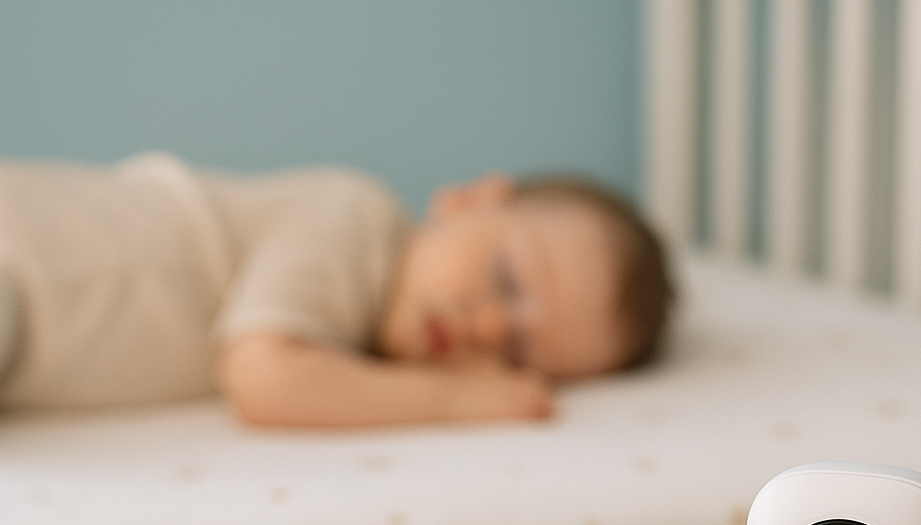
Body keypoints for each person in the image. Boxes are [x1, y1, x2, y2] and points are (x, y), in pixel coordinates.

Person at [0, 155, 673, 426]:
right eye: (505, 280)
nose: (492, 329)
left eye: (521, 354)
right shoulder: (356, 217)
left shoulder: (355, 340)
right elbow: (263, 376)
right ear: (472, 200)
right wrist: (458, 398)